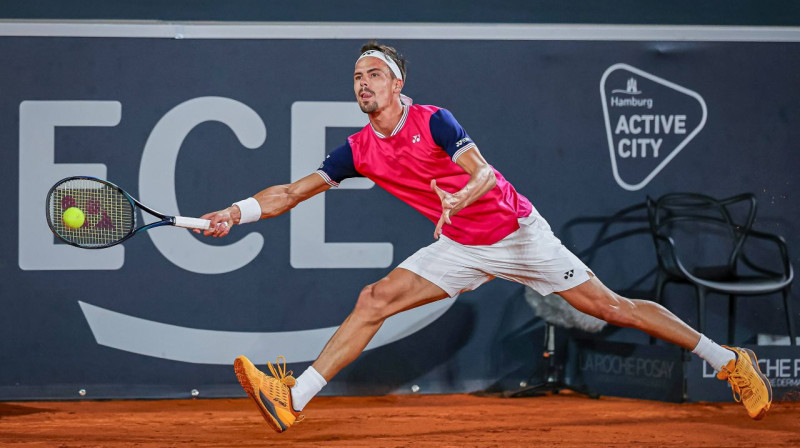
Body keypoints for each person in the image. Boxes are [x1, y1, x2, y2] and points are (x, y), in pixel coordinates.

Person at [195, 41, 772, 432]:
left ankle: (727, 360)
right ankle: (292, 400)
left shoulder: (435, 121)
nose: (362, 84)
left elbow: (484, 174)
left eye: (372, 74)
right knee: (375, 299)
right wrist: (236, 213)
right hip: (460, 246)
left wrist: (460, 197)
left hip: (517, 233)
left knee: (611, 307)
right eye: (356, 77)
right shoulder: (358, 150)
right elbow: (292, 192)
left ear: (397, 84)